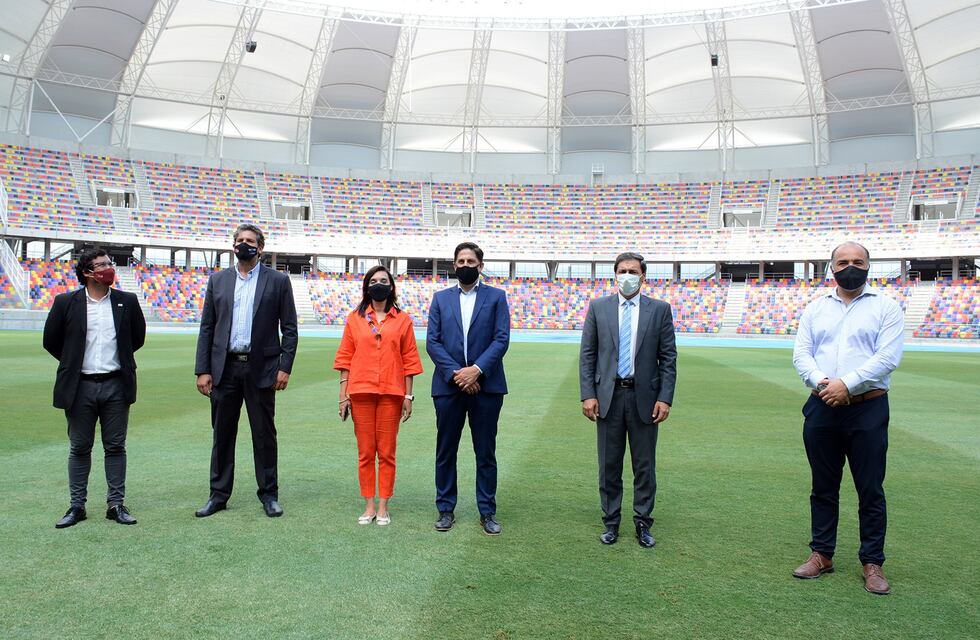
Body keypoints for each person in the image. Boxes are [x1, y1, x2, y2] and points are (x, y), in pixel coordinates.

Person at [792, 241, 903, 595]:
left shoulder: (886, 307)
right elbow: (802, 354)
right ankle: (821, 553)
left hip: (868, 407)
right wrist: (824, 383)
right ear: (832, 267)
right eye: (843, 262)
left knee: (870, 487)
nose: (850, 266)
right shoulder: (815, 308)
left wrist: (847, 384)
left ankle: (873, 561)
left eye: (858, 261)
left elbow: (887, 358)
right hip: (822, 404)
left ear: (869, 266)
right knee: (823, 487)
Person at [194, 223, 298, 518]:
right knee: (222, 434)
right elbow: (207, 327)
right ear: (233, 245)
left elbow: (289, 329)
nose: (244, 244)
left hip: (261, 368)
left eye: (250, 240)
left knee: (264, 434)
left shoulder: (277, 281)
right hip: (224, 368)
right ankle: (218, 495)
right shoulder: (218, 281)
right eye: (239, 240)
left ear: (260, 247)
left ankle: (269, 495)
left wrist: (284, 367)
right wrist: (203, 369)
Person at [579, 252, 677, 548]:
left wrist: (665, 398)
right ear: (615, 275)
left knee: (644, 465)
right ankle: (611, 522)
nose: (627, 275)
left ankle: (643, 522)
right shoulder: (598, 308)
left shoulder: (659, 310)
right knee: (609, 464)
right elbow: (588, 355)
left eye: (633, 270)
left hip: (644, 398)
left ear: (643, 276)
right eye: (622, 270)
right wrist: (588, 394)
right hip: (608, 395)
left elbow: (668, 358)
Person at [43, 249, 146, 528]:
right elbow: (51, 341)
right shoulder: (66, 302)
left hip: (116, 384)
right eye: (101, 265)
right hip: (80, 386)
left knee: (115, 446)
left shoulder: (127, 300)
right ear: (87, 272)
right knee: (79, 447)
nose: (108, 269)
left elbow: (137, 338)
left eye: (109, 264)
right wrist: (74, 362)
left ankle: (116, 504)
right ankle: (77, 506)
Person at [426, 242, 510, 535]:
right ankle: (445, 508)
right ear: (454, 265)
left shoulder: (497, 298)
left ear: (480, 265)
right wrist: (457, 375)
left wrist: (476, 371)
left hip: (486, 387)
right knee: (446, 450)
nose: (465, 264)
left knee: (485, 451)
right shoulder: (440, 299)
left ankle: (487, 511)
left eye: (470, 260)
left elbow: (501, 340)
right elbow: (432, 342)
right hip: (448, 388)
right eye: (460, 260)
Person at [333, 266, 423, 526]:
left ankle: (384, 505)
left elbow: (409, 360)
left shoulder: (402, 320)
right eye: (374, 281)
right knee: (365, 452)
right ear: (366, 287)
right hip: (360, 392)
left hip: (391, 394)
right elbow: (345, 358)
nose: (379, 284)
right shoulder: (355, 318)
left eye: (384, 280)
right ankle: (369, 504)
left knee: (386, 452)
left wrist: (408, 396)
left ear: (391, 287)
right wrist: (343, 396)